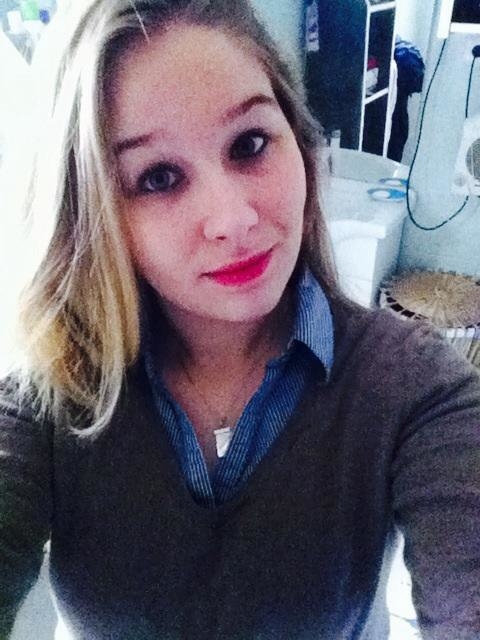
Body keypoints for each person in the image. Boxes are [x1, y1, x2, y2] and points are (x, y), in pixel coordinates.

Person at [0, 1, 479, 638]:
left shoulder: (418, 390)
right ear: (91, 213)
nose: (233, 220)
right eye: (158, 177)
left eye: (249, 145)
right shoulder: (48, 398)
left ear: (298, 143)